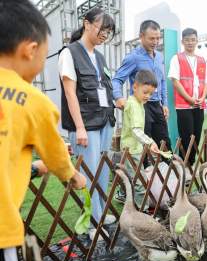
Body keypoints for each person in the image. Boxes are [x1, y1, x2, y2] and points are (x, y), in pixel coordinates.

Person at [0, 0, 85, 261]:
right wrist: (70, 174)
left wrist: (34, 168)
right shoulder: (33, 101)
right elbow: (56, 154)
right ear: (31, 49)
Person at [58, 7, 116, 240]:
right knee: (89, 173)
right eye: (103, 28)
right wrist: (80, 127)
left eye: (109, 32)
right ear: (87, 23)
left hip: (104, 121)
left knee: (102, 171)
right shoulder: (69, 53)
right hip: (85, 124)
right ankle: (93, 222)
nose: (105, 34)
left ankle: (101, 214)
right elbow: (70, 94)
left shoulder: (100, 57)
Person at [112, 20, 171, 151]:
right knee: (145, 146)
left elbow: (161, 81)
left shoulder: (160, 57)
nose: (155, 42)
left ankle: (167, 170)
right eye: (151, 38)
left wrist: (164, 103)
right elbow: (116, 80)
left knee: (165, 142)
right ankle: (144, 171)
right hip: (141, 106)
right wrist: (118, 97)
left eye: (158, 38)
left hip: (157, 106)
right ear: (141, 36)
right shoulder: (133, 57)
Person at [116, 70, 161, 203]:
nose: (148, 96)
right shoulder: (134, 105)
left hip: (133, 148)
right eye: (145, 92)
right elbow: (136, 130)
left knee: (131, 176)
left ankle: (125, 195)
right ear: (135, 87)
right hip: (131, 150)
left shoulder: (137, 102)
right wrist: (150, 142)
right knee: (139, 180)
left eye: (151, 94)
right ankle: (143, 210)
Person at [168, 28, 207, 166]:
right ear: (182, 41)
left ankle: (190, 165)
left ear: (197, 41)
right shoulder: (177, 58)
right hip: (184, 106)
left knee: (196, 137)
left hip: (199, 105)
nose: (190, 42)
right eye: (187, 40)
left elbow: (205, 82)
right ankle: (182, 167)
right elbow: (175, 81)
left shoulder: (202, 60)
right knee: (186, 138)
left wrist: (202, 98)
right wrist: (189, 99)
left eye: (193, 39)